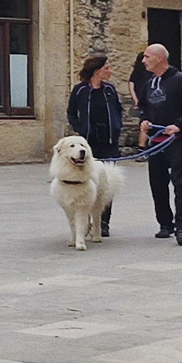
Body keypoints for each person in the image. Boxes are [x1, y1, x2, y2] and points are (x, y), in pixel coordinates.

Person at [136, 43, 182, 245]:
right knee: (157, 184)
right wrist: (144, 120)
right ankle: (165, 223)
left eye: (147, 56)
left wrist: (179, 125)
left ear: (159, 58)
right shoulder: (149, 82)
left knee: (180, 184)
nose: (143, 60)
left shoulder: (180, 80)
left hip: (176, 141)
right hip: (155, 142)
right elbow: (144, 107)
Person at [66, 54, 125, 237]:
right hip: (88, 144)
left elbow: (118, 110)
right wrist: (80, 128)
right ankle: (85, 221)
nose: (110, 71)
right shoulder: (80, 90)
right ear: (97, 70)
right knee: (87, 181)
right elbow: (71, 113)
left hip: (108, 141)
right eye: (107, 67)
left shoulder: (110, 90)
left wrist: (116, 126)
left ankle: (103, 221)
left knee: (106, 182)